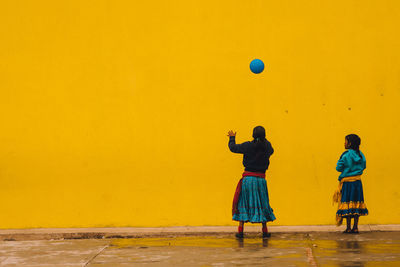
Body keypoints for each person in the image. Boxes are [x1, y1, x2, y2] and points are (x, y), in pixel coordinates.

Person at [228, 126, 276, 238]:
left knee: (243, 203)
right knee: (263, 203)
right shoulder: (267, 147)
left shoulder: (248, 146)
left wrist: (232, 138)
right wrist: (264, 141)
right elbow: (272, 151)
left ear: (253, 135)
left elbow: (233, 148)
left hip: (248, 180)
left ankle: (240, 231)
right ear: (264, 135)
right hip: (261, 180)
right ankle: (264, 230)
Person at [333, 134, 368, 234]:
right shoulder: (361, 154)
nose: (344, 143)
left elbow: (338, 168)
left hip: (347, 183)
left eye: (345, 141)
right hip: (357, 183)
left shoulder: (345, 155)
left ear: (350, 143)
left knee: (347, 203)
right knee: (357, 202)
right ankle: (355, 227)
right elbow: (364, 166)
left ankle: (348, 228)